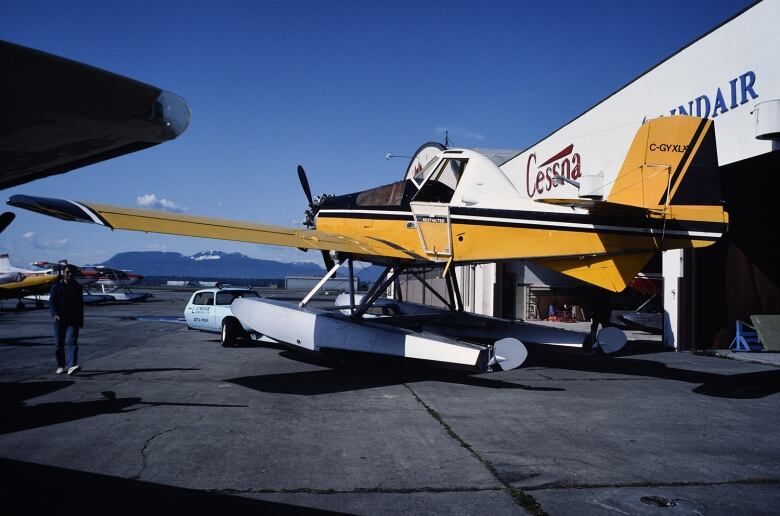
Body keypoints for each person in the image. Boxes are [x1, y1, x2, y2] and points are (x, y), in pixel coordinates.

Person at [50, 264, 84, 375]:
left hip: (73, 319)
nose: (69, 274)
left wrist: (81, 320)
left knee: (72, 342)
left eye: (72, 272)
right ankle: (60, 365)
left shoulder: (77, 287)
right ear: (64, 273)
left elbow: (80, 305)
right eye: (67, 272)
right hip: (59, 320)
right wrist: (55, 314)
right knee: (59, 344)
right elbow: (52, 302)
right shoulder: (56, 287)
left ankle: (72, 366)